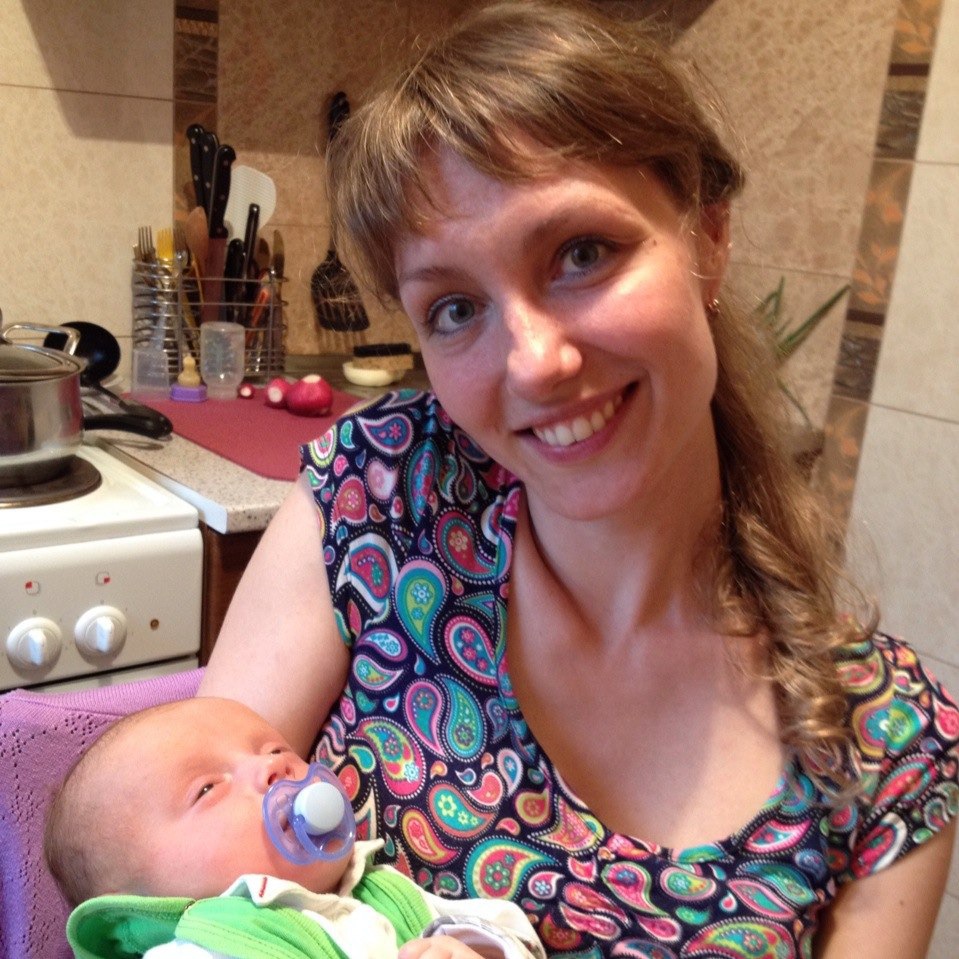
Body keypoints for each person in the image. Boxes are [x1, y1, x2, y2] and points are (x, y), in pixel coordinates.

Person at [199, 2, 959, 956]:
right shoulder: (379, 499)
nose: (534, 363)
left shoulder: (884, 745)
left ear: (707, 237)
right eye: (454, 307)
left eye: (581, 253)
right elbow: (170, 883)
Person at [44, 696, 545, 959]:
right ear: (138, 904)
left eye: (275, 749)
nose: (272, 768)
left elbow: (510, 929)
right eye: (207, 788)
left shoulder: (380, 889)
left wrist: (477, 948)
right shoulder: (207, 945)